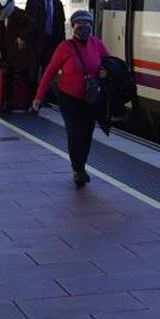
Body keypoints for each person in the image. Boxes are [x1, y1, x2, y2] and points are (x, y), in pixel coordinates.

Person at [32, 10, 109, 188]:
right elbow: (50, 72)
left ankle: (81, 165)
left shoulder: (97, 45)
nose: (84, 28)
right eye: (80, 24)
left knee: (87, 134)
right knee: (75, 133)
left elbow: (109, 62)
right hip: (69, 98)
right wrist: (38, 97)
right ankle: (78, 170)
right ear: (73, 26)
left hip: (90, 98)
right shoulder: (64, 47)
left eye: (88, 24)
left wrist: (106, 72)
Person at [0, 0, 36, 115]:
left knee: (26, 78)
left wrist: (21, 36)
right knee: (9, 78)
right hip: (9, 54)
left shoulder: (18, 13)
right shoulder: (3, 15)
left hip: (20, 54)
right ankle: (7, 104)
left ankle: (34, 102)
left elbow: (33, 25)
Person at [25, 0, 66, 97]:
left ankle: (43, 97)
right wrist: (26, 39)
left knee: (47, 71)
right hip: (36, 42)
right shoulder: (33, 1)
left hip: (51, 42)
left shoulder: (57, 4)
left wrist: (61, 44)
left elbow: (60, 25)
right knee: (33, 69)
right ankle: (31, 95)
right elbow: (27, 21)